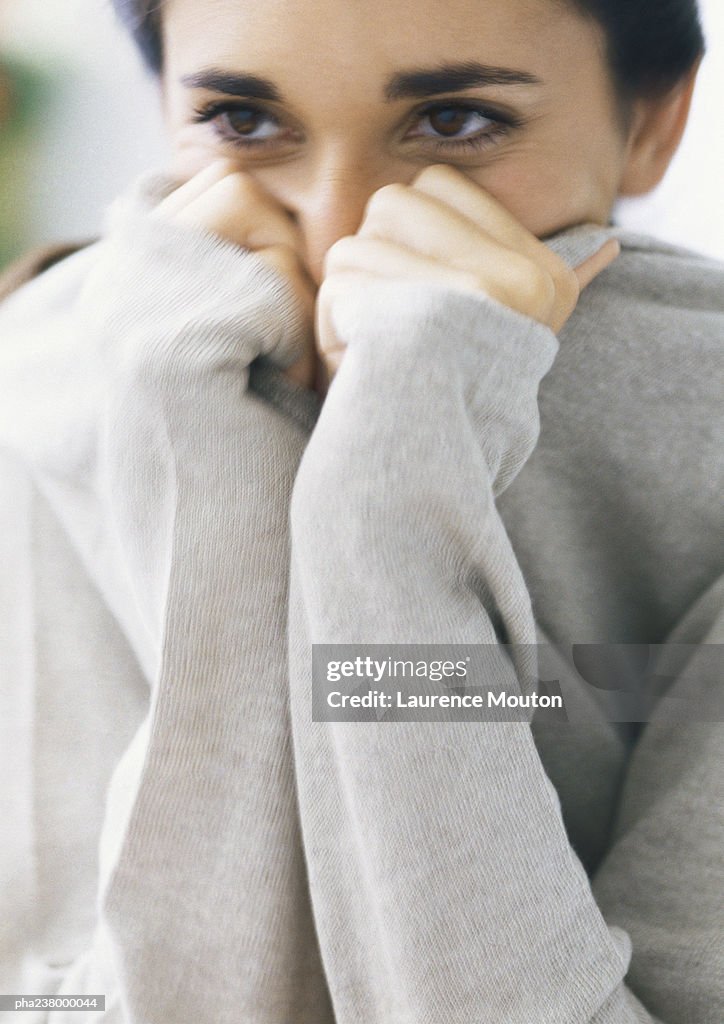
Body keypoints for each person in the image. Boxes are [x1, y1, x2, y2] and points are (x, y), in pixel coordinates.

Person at [0, 0, 721, 1021]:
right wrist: (210, 460)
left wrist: (390, 507)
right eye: (244, 122)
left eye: (455, 121)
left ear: (652, 121)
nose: (341, 227)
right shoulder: (36, 386)